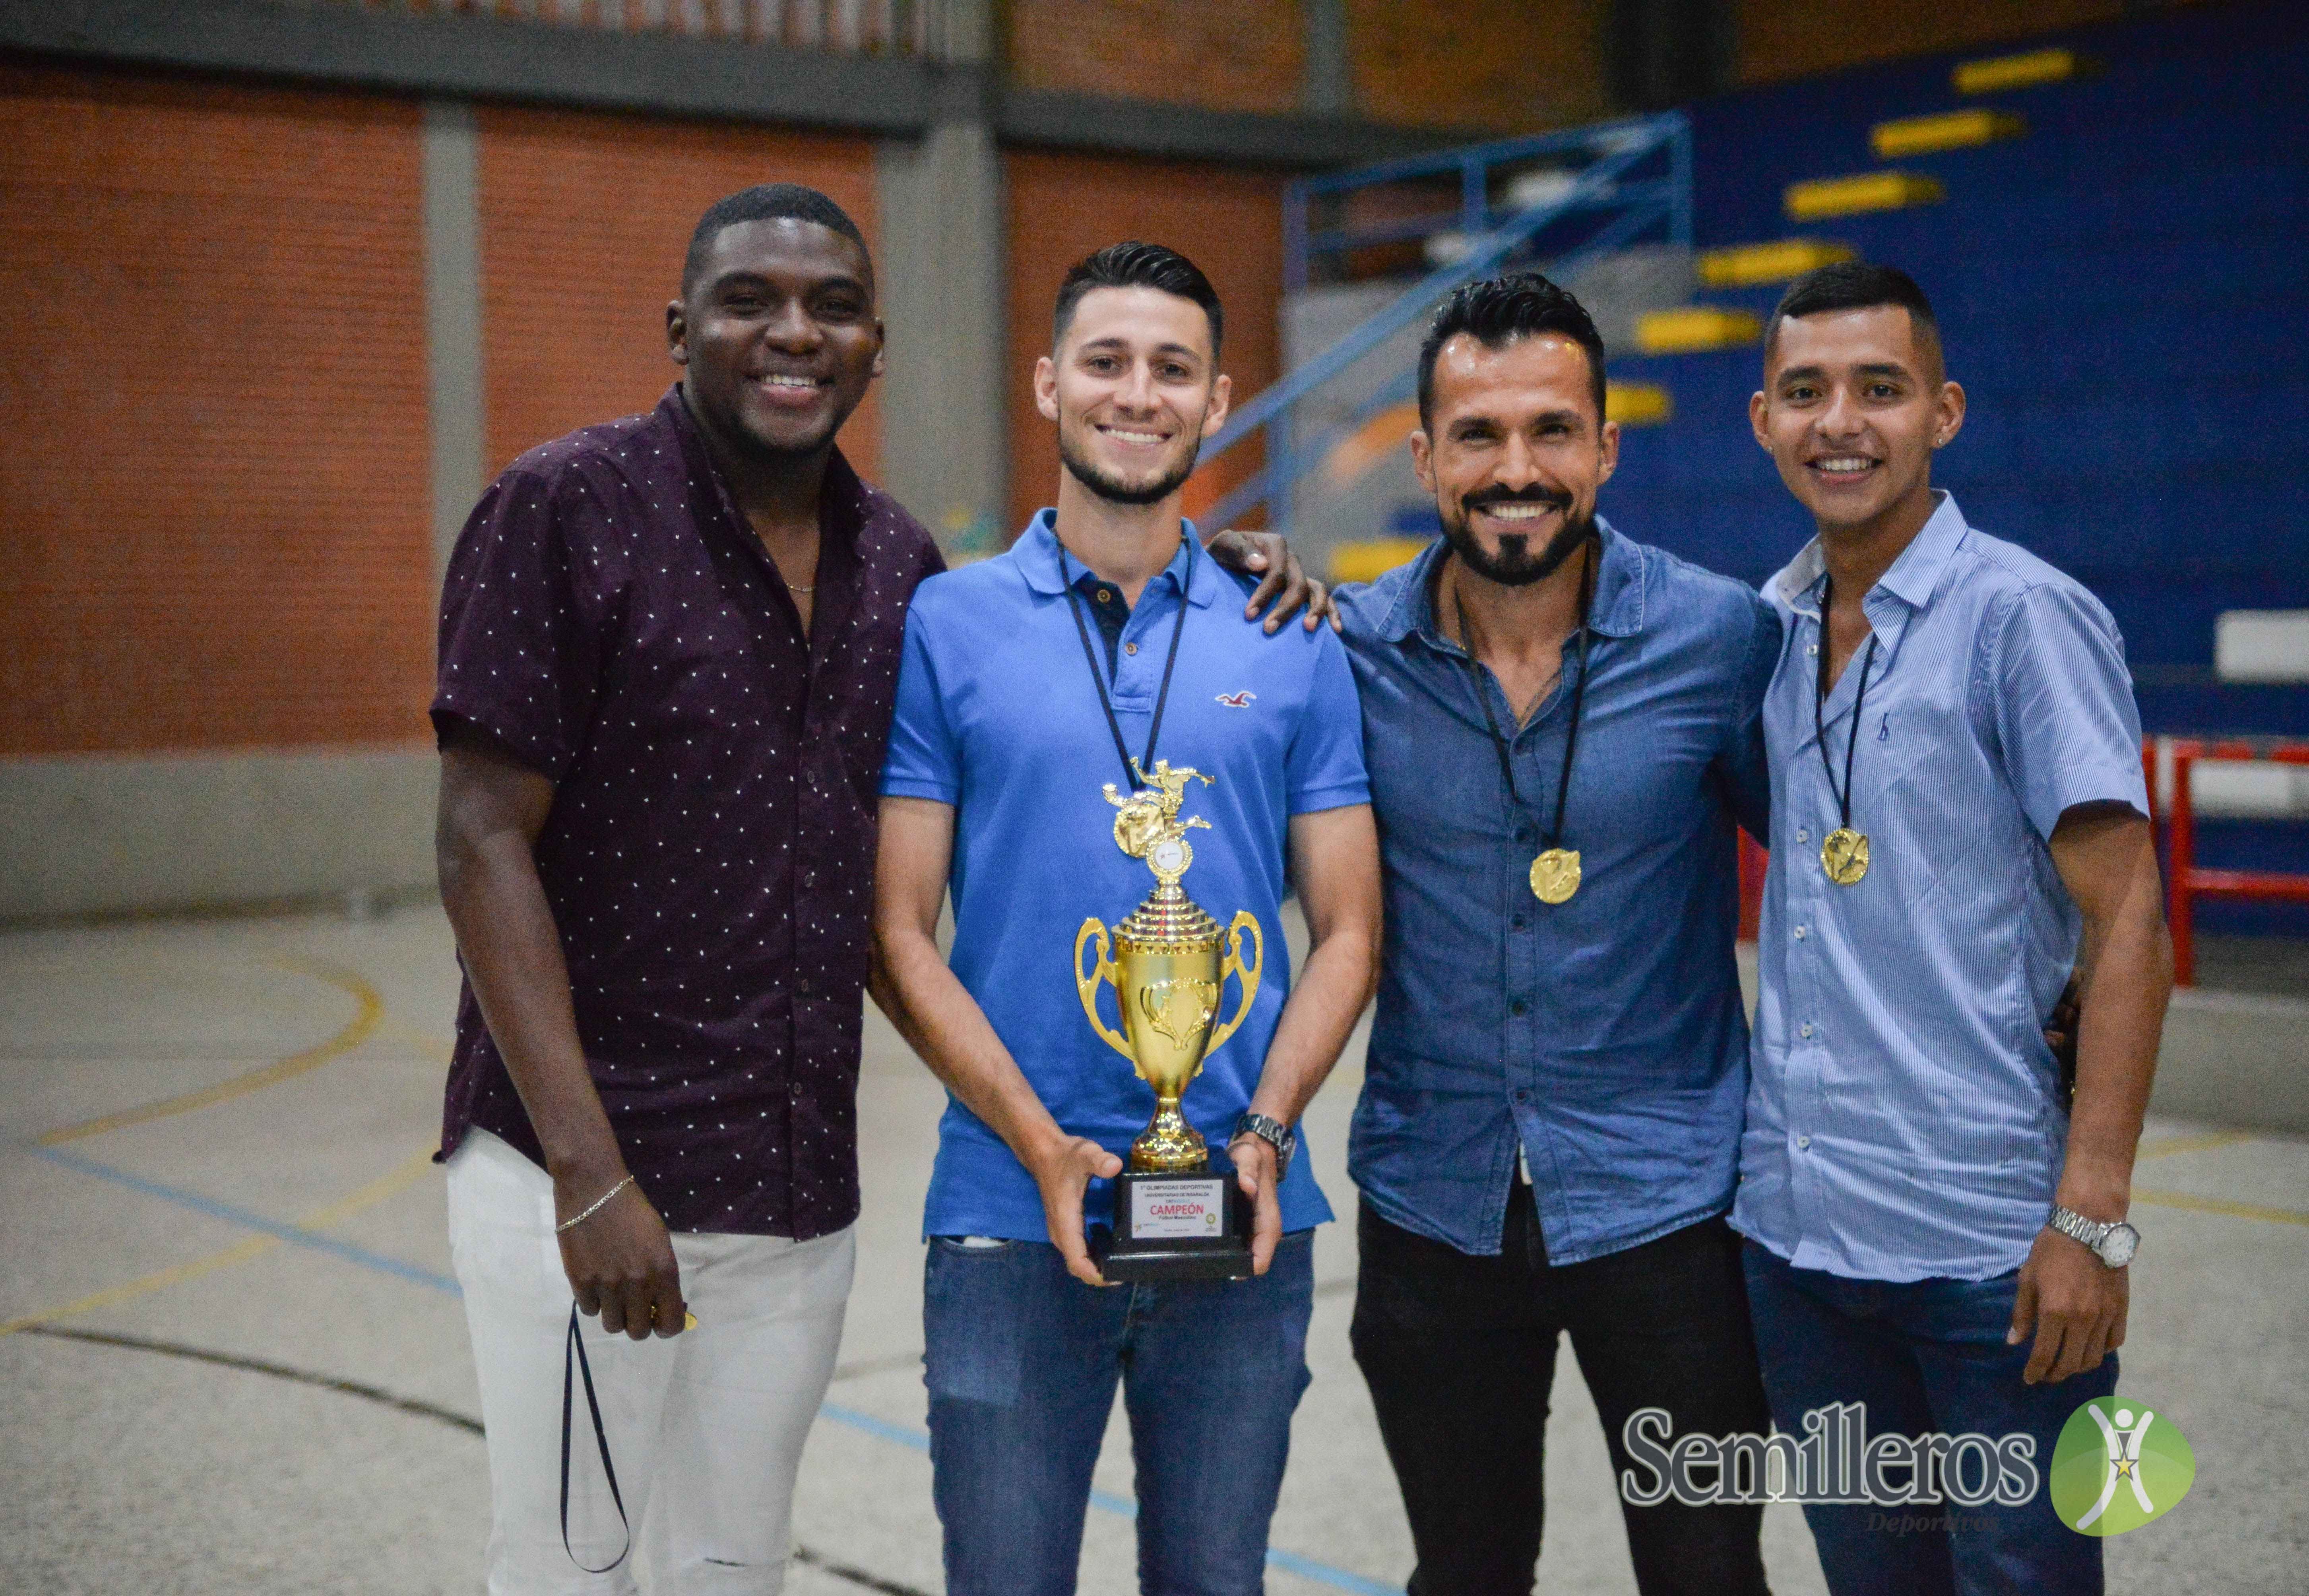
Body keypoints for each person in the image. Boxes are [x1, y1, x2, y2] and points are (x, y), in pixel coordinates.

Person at [431, 189, 1325, 1596]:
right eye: (749, 302)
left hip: (790, 1189)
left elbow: (1064, 634)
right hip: (585, 1173)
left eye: (832, 307)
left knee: (734, 1568)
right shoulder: (564, 508)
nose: (793, 333)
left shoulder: (897, 568)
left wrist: (1217, 566)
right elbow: (479, 841)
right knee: (571, 1571)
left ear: (876, 346)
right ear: (681, 329)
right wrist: (587, 1174)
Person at [872, 241, 1382, 1596]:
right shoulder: (948, 623)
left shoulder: (1293, 631)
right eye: (1106, 362)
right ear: (1048, 385)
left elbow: (1347, 929)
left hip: (1244, 1211)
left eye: (1174, 369)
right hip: (1002, 1215)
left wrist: (1266, 1135)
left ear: (1220, 402)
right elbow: (899, 928)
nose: (1137, 393)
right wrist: (1040, 1147)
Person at [1332, 274, 1780, 1595]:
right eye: (1477, 435)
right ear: (1423, 455)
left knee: (1708, 1575)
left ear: (1605, 446)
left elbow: (1834, 875)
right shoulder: (1343, 649)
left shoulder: (1719, 639)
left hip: (1675, 1208)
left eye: (1551, 431)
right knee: (1463, 1575)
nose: (1515, 470)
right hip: (1433, 1200)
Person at [1734, 261, 2171, 1595]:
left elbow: (2132, 912)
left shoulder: (2021, 617)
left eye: (1880, 389)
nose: (1840, 422)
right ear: (1764, 421)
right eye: (1805, 393)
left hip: (1992, 1252)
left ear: (1945, 412)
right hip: (1800, 1240)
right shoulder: (1766, 623)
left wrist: (2092, 1219)